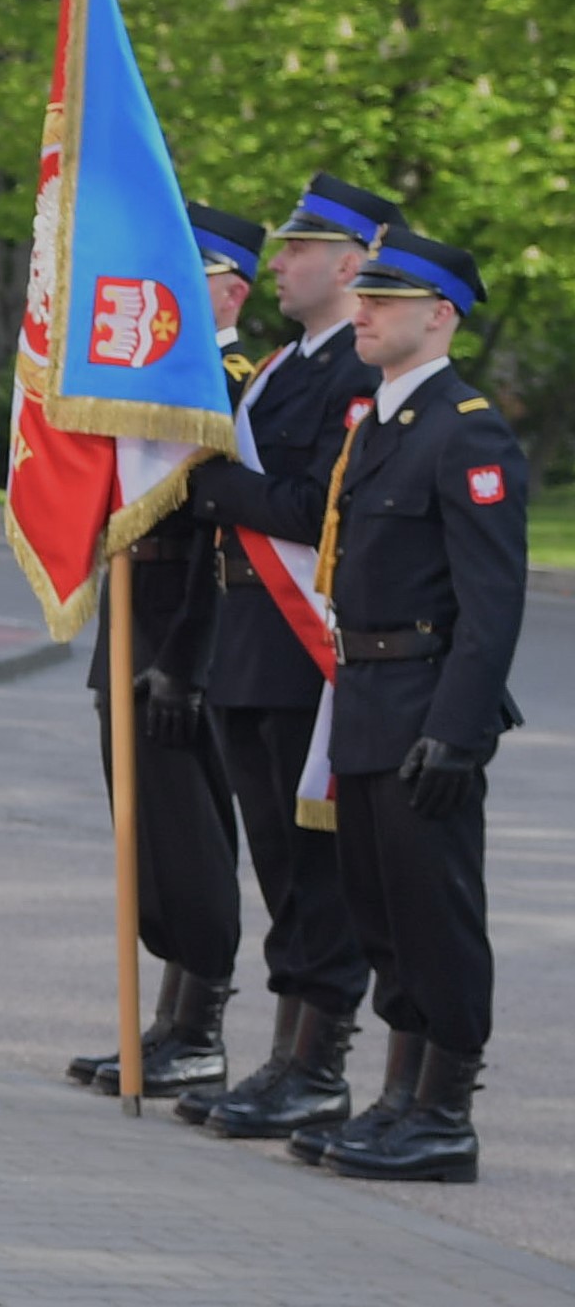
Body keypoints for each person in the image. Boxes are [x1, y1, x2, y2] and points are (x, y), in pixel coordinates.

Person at [284, 225, 526, 1183]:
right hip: (366, 697)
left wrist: (458, 734)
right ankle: (398, 1099)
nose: (365, 311)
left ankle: (445, 1116)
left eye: (386, 300)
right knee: (382, 912)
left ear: (441, 316)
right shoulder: (380, 425)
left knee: (437, 913)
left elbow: (491, 604)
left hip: (426, 705)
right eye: (366, 296)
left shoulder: (467, 430)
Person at [172, 177, 387, 1139]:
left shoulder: (354, 373)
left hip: (302, 649)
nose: (281, 264)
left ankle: (318, 1064)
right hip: (246, 640)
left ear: (350, 266)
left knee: (316, 867)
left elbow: (312, 509)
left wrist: (216, 490)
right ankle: (284, 1058)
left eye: (300, 250)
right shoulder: (276, 371)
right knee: (277, 863)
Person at [64, 201, 261, 1100]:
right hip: (133, 608)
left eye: (193, 273)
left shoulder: (235, 385)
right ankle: (168, 1023)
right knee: (144, 833)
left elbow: (230, 536)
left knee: (190, 832)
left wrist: (188, 656)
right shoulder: (148, 380)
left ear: (232, 291)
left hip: (188, 621)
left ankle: (201, 1029)